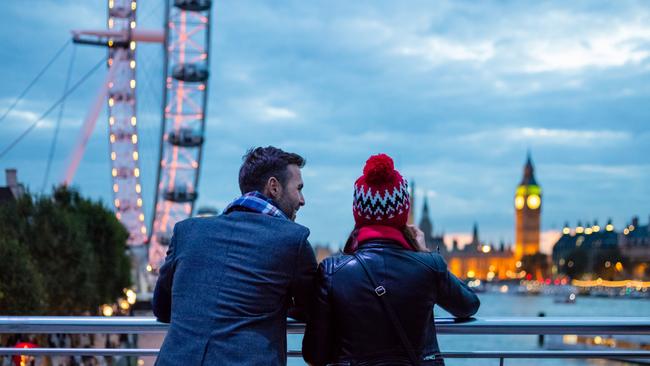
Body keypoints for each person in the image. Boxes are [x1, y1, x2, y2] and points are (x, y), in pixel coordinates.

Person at [302, 153, 480, 366]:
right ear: (403, 213)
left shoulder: (332, 272)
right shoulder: (430, 265)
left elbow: (314, 354)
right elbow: (468, 305)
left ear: (358, 213)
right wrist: (425, 255)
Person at [153, 146, 318, 366]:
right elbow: (313, 310)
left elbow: (162, 308)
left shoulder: (187, 232)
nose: (302, 199)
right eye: (298, 188)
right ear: (274, 187)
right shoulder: (293, 239)